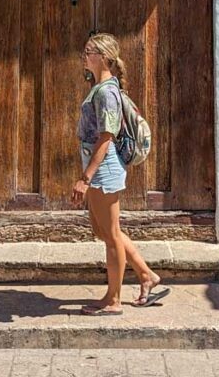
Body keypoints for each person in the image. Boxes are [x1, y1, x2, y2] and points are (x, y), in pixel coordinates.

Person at [71, 32, 167, 314]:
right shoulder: (101, 88)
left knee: (110, 235)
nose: (84, 55)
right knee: (103, 230)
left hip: (104, 168)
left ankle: (113, 300)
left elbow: (106, 137)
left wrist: (85, 178)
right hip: (99, 165)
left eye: (89, 51)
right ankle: (147, 275)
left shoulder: (106, 92)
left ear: (104, 58)